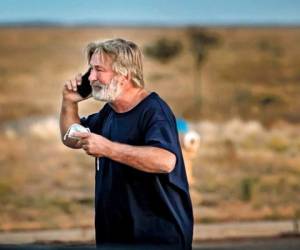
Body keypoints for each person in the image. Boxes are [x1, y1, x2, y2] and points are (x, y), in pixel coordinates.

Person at [59, 38, 193, 249]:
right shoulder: (110, 112)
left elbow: (165, 161)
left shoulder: (153, 111)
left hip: (156, 238)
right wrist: (69, 102)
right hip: (114, 235)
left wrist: (108, 148)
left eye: (98, 70)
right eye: (90, 70)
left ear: (124, 74)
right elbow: (71, 137)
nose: (91, 77)